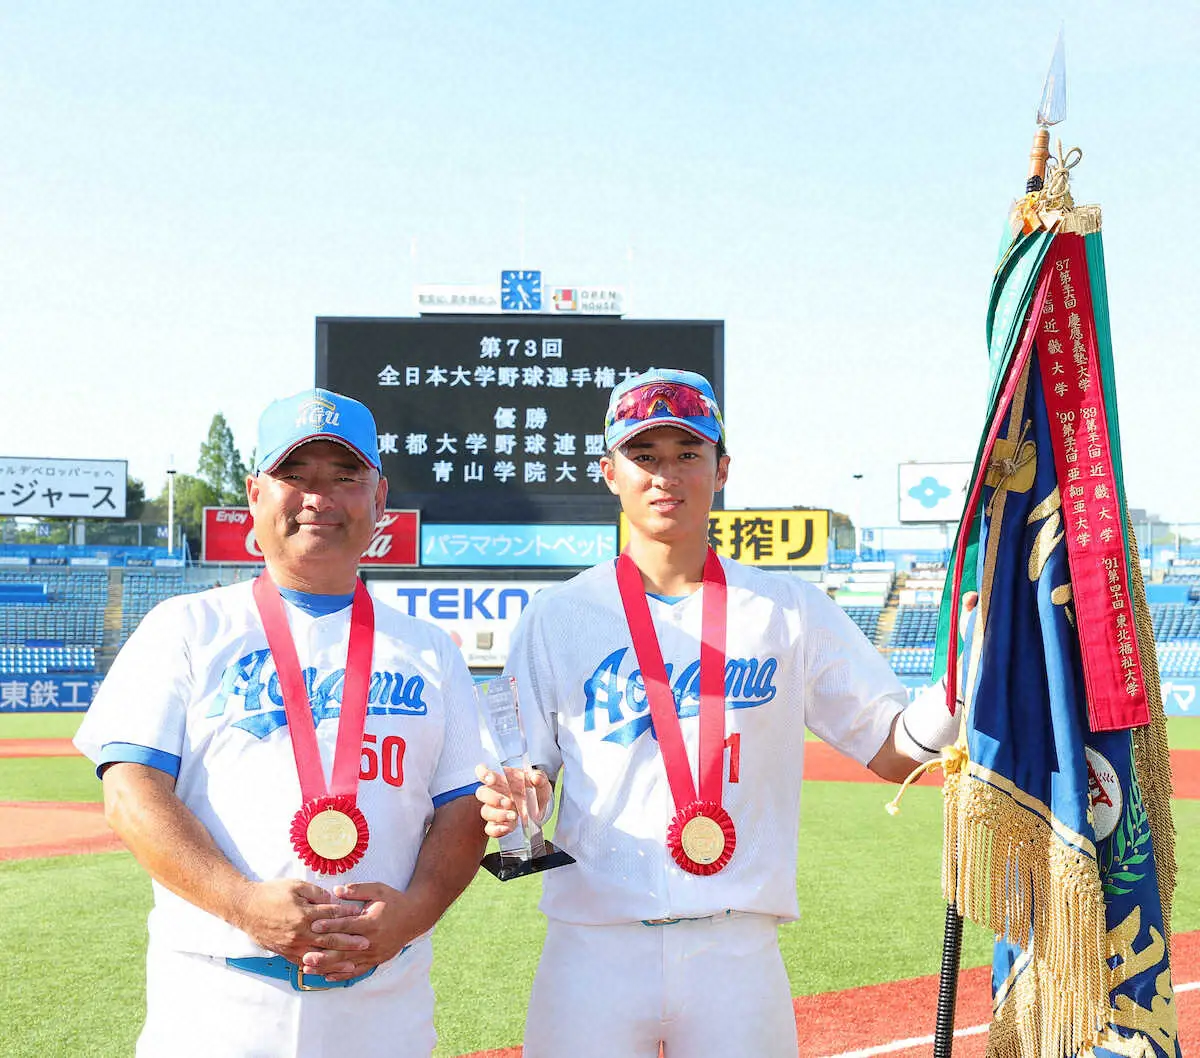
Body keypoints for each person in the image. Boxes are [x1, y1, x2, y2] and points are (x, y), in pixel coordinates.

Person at [476, 367, 964, 1058]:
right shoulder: (558, 615)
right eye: (643, 455)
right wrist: (518, 798)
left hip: (737, 950)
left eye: (687, 454)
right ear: (609, 472)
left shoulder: (786, 609)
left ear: (722, 469)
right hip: (593, 947)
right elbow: (529, 775)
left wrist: (963, 681)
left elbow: (892, 751)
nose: (664, 475)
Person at [75, 387, 487, 1058]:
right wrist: (243, 904)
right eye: (295, 475)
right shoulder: (186, 628)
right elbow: (130, 794)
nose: (318, 497)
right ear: (254, 495)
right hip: (217, 1002)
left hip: (383, 1002)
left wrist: (414, 912)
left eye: (345, 476)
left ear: (380, 498)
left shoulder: (429, 648)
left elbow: (464, 807)